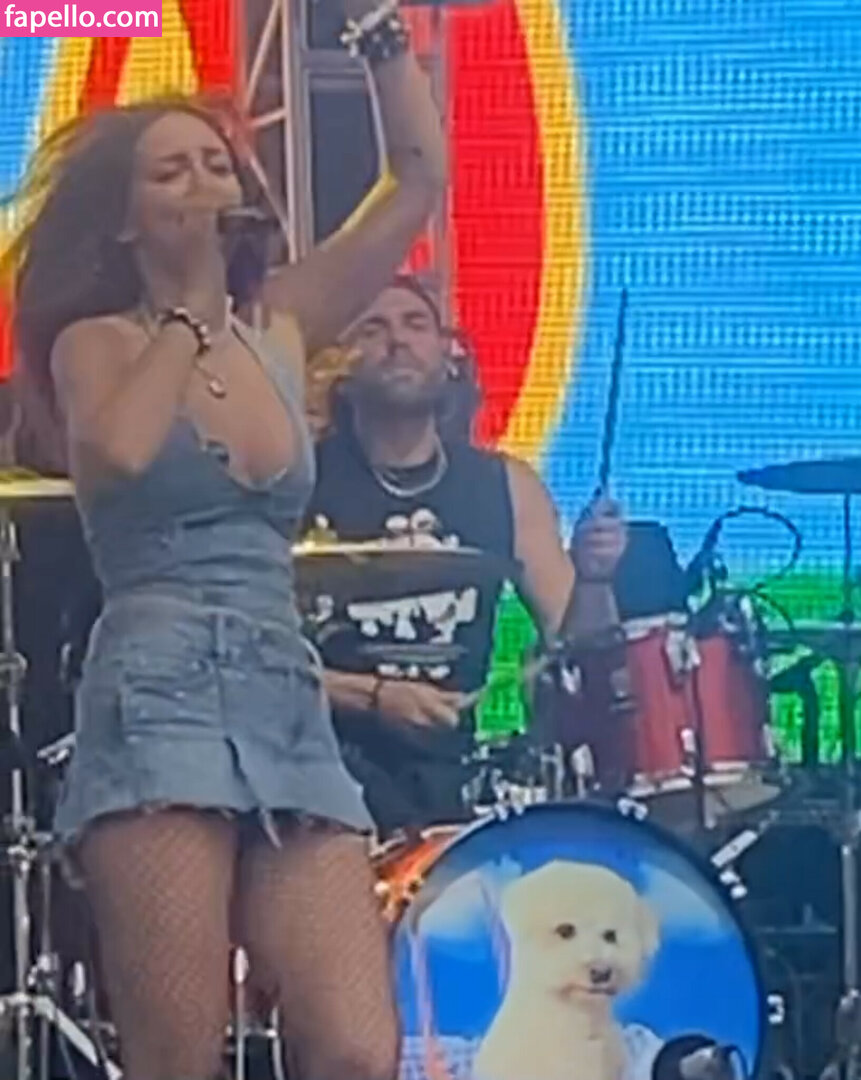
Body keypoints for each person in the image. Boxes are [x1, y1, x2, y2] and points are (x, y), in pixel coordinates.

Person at [2, 1, 446, 1074]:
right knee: (180, 1053)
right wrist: (192, 311)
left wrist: (384, 40)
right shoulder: (93, 344)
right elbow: (116, 454)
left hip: (281, 690)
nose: (206, 183)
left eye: (216, 164)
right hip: (155, 690)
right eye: (172, 172)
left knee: (356, 1043)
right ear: (126, 223)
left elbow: (415, 178)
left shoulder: (281, 329)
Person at [304, 276, 627, 836]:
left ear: (448, 355)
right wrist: (373, 698)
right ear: (340, 368)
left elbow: (584, 656)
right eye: (373, 328)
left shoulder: (506, 487)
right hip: (318, 784)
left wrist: (595, 580)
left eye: (415, 324)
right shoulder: (297, 482)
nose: (397, 340)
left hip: (452, 788)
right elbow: (248, 664)